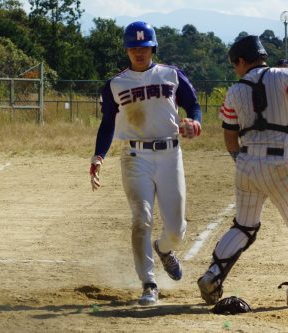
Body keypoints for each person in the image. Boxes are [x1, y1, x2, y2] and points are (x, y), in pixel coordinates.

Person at [197, 35, 288, 308]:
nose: (236, 68)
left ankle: (212, 275)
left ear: (244, 61)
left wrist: (244, 162)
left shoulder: (234, 91)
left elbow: (230, 139)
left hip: (246, 163)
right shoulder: (284, 75)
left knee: (244, 226)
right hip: (279, 162)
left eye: (236, 63)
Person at [90, 21, 202, 306]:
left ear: (153, 48)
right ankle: (148, 283)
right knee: (141, 218)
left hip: (170, 154)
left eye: (144, 47)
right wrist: (98, 156)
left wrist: (195, 123)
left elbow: (194, 106)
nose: (139, 52)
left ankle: (164, 250)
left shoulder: (171, 74)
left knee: (176, 230)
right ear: (127, 50)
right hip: (134, 156)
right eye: (134, 47)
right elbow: (107, 124)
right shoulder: (116, 84)